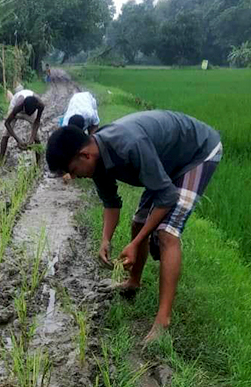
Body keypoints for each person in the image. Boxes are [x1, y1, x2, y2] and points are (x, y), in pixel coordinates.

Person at [46, 110, 222, 344]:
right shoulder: (97, 160)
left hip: (197, 153)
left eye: (73, 171)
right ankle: (133, 282)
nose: (75, 177)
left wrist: (136, 243)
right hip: (166, 161)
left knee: (167, 233)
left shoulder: (129, 144)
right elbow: (111, 203)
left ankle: (163, 320)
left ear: (85, 155)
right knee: (139, 221)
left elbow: (167, 197)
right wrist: (105, 239)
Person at [0, 88, 45, 164]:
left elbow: (37, 122)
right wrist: (18, 140)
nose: (28, 115)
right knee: (5, 134)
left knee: (37, 138)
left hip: (29, 108)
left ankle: (38, 164)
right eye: (28, 113)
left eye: (30, 113)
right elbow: (7, 123)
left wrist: (31, 139)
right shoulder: (18, 105)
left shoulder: (40, 105)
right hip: (16, 110)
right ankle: (0, 162)